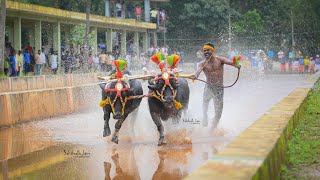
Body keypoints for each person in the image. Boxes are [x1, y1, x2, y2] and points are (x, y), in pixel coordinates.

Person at [191, 42, 241, 129]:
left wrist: (236, 65)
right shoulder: (202, 64)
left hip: (219, 89)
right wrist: (195, 76)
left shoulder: (220, 60)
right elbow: (198, 71)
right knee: (205, 103)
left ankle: (212, 129)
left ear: (213, 51)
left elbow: (231, 62)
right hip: (209, 87)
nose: (206, 52)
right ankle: (205, 116)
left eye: (208, 50)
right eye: (204, 51)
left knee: (218, 113)